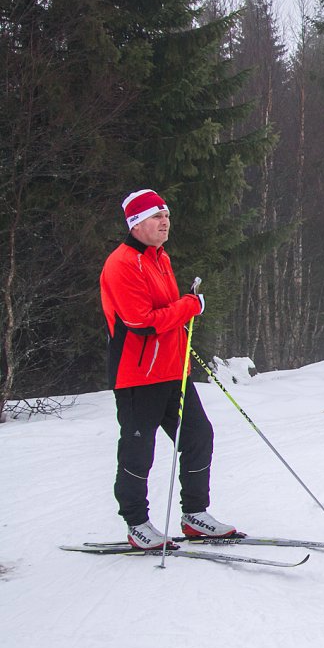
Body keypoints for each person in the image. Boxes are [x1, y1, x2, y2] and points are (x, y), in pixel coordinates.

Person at [100, 189, 238, 548]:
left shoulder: (160, 257)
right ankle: (137, 523)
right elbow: (142, 322)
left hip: (174, 372)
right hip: (137, 376)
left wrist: (184, 320)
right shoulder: (121, 264)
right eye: (156, 217)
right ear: (135, 224)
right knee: (138, 450)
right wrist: (190, 306)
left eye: (166, 216)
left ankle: (195, 514)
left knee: (198, 436)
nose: (165, 223)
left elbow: (166, 313)